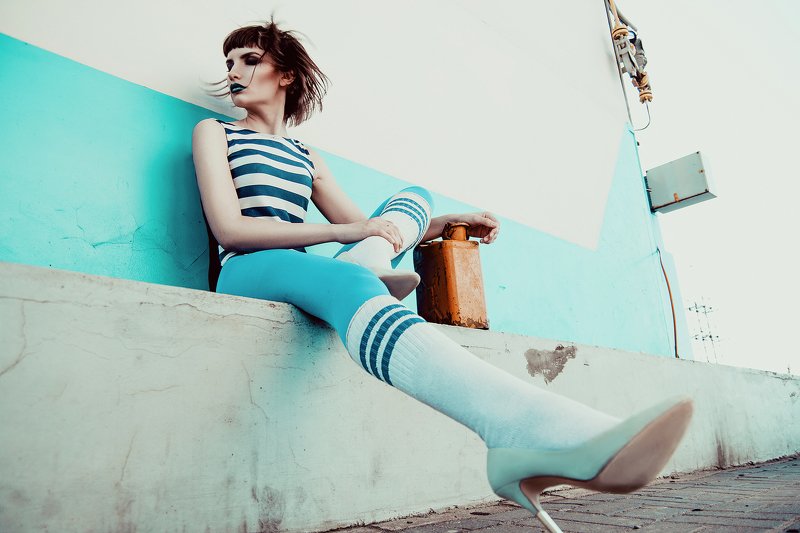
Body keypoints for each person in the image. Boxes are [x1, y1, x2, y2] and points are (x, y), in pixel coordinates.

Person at [192, 19, 693, 533]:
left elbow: (367, 225)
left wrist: (449, 222)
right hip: (247, 269)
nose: (233, 72)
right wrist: (349, 233)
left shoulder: (305, 156)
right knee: (352, 277)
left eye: (249, 60)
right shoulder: (216, 132)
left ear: (286, 75)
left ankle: (369, 273)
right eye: (229, 63)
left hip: (305, 269)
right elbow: (231, 230)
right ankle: (522, 429)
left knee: (414, 199)